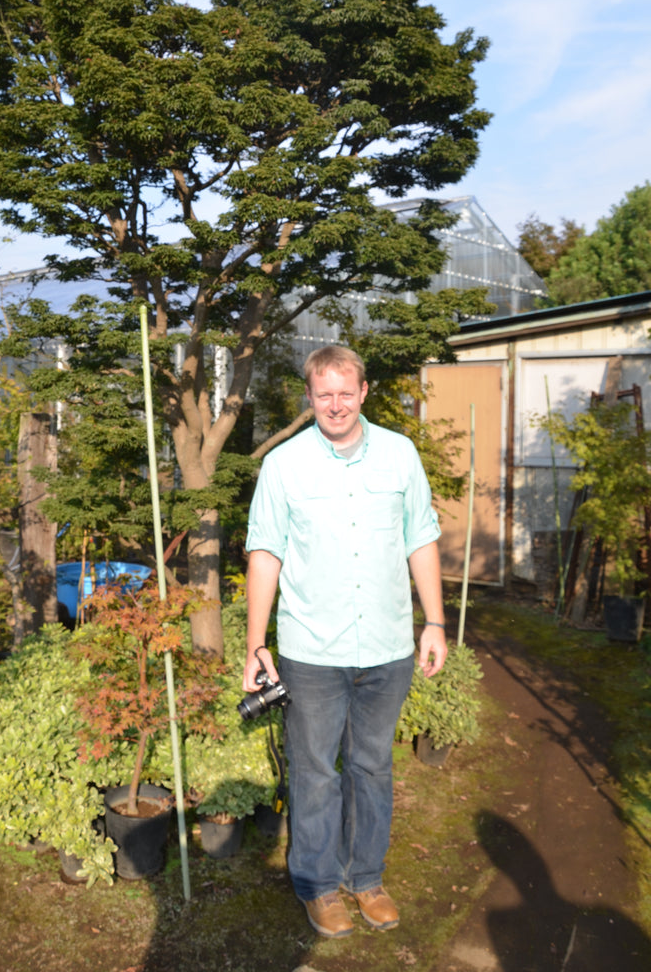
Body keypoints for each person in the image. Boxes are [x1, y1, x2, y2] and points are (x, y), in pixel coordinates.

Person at [244, 344, 447, 939]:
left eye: (345, 391)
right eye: (323, 393)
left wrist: (433, 622)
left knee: (372, 766)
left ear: (363, 393)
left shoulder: (401, 455)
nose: (335, 404)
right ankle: (318, 885)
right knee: (314, 772)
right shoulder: (284, 466)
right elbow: (265, 553)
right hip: (311, 653)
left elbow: (422, 539)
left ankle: (367, 878)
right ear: (309, 399)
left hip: (387, 647)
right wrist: (258, 645)